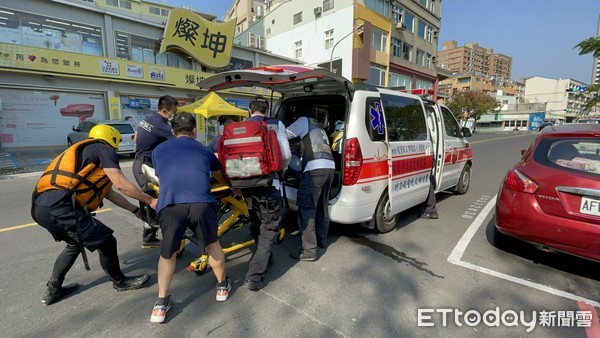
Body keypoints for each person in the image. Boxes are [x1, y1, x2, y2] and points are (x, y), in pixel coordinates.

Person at [31, 124, 157, 306]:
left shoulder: (84, 153)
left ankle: (53, 290)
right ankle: (120, 281)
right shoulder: (103, 149)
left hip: (40, 207)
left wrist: (135, 210)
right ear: (112, 139)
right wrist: (150, 200)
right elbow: (121, 184)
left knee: (74, 244)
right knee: (106, 240)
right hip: (62, 207)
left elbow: (109, 193)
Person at [149, 112, 231, 323]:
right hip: (201, 203)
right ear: (194, 131)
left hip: (170, 205)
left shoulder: (158, 150)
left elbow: (162, 174)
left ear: (172, 131)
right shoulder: (204, 150)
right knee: (213, 245)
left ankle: (160, 304)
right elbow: (219, 174)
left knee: (168, 254)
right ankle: (222, 287)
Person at [242, 96, 291, 291]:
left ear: (249, 109)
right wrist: (282, 170)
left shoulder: (240, 126)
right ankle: (254, 276)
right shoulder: (275, 124)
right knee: (269, 228)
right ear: (268, 109)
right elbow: (286, 154)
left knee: (256, 222)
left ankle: (265, 258)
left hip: (246, 185)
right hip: (270, 183)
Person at [285, 115, 335, 261]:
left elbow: (286, 134)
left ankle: (309, 251)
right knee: (321, 206)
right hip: (329, 168)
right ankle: (321, 241)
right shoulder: (318, 126)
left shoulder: (303, 120)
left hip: (315, 169)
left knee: (307, 209)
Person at [132, 95, 177, 248]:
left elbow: (136, 137)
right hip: (146, 167)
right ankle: (167, 240)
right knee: (155, 201)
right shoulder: (162, 126)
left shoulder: (148, 119)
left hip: (140, 162)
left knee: (149, 200)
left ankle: (149, 238)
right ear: (164, 110)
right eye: (173, 112)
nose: (174, 115)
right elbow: (181, 141)